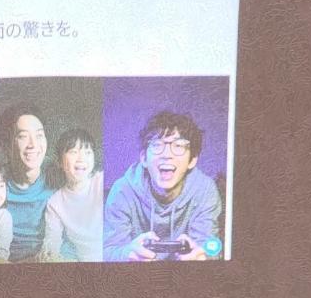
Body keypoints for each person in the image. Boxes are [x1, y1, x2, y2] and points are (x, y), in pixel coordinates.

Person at [103, 111, 222, 262]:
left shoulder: (205, 190)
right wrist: (126, 254)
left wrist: (205, 254)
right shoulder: (122, 190)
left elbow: (212, 247)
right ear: (144, 158)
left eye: (179, 145)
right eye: (157, 145)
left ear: (192, 160)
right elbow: (107, 251)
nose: (167, 155)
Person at [0, 102, 60, 262]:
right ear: (5, 145)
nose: (33, 145)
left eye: (39, 135)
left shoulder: (59, 179)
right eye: (23, 136)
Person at [41, 128, 104, 262]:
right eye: (73, 152)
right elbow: (52, 240)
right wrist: (49, 253)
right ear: (60, 161)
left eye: (88, 152)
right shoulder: (55, 203)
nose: (81, 158)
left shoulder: (100, 182)